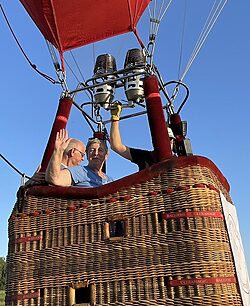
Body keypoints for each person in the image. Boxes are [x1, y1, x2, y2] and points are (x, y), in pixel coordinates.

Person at [110, 103, 175, 170]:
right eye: (164, 140)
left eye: (170, 140)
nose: (167, 143)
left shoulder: (179, 161)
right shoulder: (145, 156)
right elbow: (116, 146)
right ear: (155, 141)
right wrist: (115, 119)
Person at [45, 129, 113, 187]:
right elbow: (54, 179)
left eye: (100, 150)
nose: (96, 153)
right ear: (87, 155)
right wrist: (58, 151)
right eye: (92, 150)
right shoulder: (79, 171)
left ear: (106, 155)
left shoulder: (110, 180)